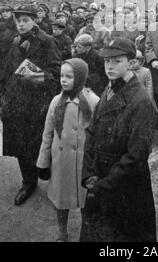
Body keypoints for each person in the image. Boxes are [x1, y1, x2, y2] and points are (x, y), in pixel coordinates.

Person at [79, 37, 156, 242]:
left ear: (131, 63)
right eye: (106, 61)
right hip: (99, 175)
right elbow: (92, 132)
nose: (110, 66)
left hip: (123, 185)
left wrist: (104, 185)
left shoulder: (140, 100)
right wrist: (88, 173)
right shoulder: (110, 87)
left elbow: (136, 155)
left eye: (116, 61)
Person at [1, 5, 61, 205]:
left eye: (25, 20)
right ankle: (28, 182)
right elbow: (7, 72)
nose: (21, 24)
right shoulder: (14, 41)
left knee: (39, 145)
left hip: (37, 104)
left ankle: (50, 178)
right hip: (16, 103)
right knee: (20, 146)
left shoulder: (47, 41)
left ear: (34, 20)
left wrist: (33, 75)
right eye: (18, 21)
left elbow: (56, 74)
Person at [36, 58, 98, 242]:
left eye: (69, 77)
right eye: (62, 76)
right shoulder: (57, 101)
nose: (63, 80)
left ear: (80, 78)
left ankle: (86, 234)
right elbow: (48, 133)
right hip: (61, 163)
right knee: (61, 201)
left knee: (87, 201)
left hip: (83, 163)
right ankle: (62, 231)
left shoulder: (93, 102)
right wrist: (43, 161)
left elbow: (99, 135)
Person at [130, 49, 158, 118]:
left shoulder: (146, 71)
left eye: (135, 62)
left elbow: (149, 87)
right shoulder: (128, 72)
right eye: (131, 62)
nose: (133, 64)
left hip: (144, 97)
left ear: (141, 62)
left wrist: (148, 99)